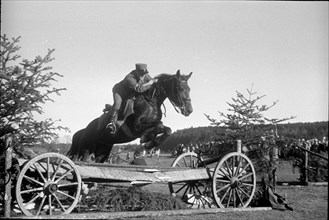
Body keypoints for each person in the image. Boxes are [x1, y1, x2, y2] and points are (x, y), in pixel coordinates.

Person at [106, 63, 158, 134]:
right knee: (117, 105)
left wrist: (155, 82)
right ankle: (111, 123)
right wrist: (149, 83)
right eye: (141, 74)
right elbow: (139, 89)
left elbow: (153, 81)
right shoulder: (129, 78)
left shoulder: (145, 75)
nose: (143, 76)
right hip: (120, 91)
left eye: (144, 74)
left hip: (131, 92)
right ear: (136, 72)